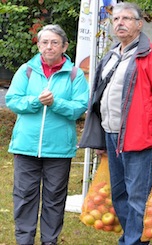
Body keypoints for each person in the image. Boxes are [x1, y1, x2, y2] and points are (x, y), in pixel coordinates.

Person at [78, 2, 152, 244]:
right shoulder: (111, 56)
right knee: (119, 194)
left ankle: (133, 241)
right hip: (112, 136)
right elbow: (99, 98)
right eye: (116, 19)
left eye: (126, 18)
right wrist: (99, 138)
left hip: (141, 138)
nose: (120, 23)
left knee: (137, 197)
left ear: (139, 24)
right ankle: (131, 237)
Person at [5, 24, 89, 245]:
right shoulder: (26, 70)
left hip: (59, 148)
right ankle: (24, 240)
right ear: (39, 45)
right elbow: (13, 100)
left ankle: (49, 241)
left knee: (54, 199)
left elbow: (79, 107)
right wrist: (36, 101)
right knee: (24, 197)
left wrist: (55, 103)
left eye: (54, 42)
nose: (49, 47)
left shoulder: (75, 74)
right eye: (44, 42)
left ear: (64, 46)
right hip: (25, 146)